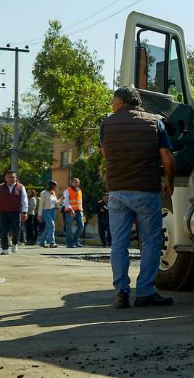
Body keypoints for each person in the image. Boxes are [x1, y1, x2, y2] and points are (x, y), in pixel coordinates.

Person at [100, 86, 176, 309]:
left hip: (117, 191)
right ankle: (145, 292)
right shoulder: (155, 122)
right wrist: (170, 182)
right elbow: (168, 158)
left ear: (122, 102)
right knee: (152, 241)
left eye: (114, 102)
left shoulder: (107, 123)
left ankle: (122, 292)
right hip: (146, 191)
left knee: (119, 244)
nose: (112, 106)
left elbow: (105, 153)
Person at [0, 171, 28, 255]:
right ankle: (5, 249)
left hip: (16, 212)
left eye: (13, 177)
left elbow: (24, 200)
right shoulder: (0, 187)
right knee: (4, 231)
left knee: (16, 230)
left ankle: (15, 243)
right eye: (9, 177)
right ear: (5, 178)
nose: (11, 178)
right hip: (3, 212)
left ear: (16, 178)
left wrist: (24, 211)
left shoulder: (20, 187)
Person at [62, 177, 86, 248]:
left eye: (78, 182)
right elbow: (65, 201)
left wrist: (82, 210)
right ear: (71, 182)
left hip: (79, 211)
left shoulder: (79, 190)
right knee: (69, 227)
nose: (77, 183)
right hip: (70, 211)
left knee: (81, 226)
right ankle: (69, 244)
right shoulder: (67, 191)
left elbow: (79, 202)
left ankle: (75, 241)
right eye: (75, 182)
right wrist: (71, 209)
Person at [37, 182, 60, 248]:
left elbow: (55, 203)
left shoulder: (53, 193)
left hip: (53, 211)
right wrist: (39, 215)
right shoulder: (43, 193)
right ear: (52, 186)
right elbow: (41, 204)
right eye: (55, 186)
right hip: (46, 211)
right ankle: (52, 243)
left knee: (48, 228)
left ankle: (42, 242)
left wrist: (61, 201)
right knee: (52, 226)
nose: (56, 187)